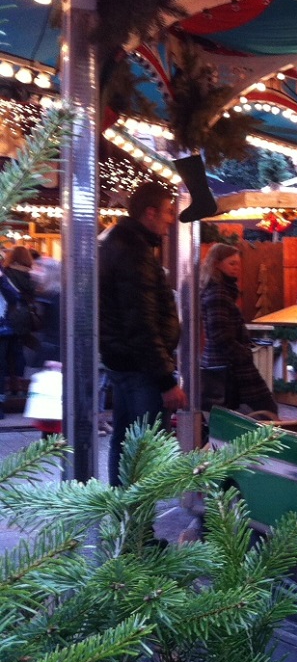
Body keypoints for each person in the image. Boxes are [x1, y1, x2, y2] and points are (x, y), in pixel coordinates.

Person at [99, 182, 187, 485]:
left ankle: (122, 508)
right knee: (146, 448)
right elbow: (142, 323)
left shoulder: (119, 243)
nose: (171, 220)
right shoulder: (135, 252)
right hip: (141, 368)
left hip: (123, 362)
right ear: (150, 213)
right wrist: (166, 380)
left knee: (125, 441)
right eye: (167, 212)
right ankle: (139, 514)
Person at [200, 243, 278, 418]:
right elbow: (219, 334)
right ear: (217, 264)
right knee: (267, 411)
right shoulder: (218, 293)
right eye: (231, 263)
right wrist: (243, 354)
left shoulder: (221, 291)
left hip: (225, 364)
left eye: (237, 263)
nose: (236, 268)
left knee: (238, 413)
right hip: (230, 366)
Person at [0, 246, 37, 407]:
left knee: (5, 355)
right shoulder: (30, 274)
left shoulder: (7, 273)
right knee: (17, 351)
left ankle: (9, 385)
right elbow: (33, 294)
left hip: (9, 316)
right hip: (22, 316)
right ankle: (19, 384)